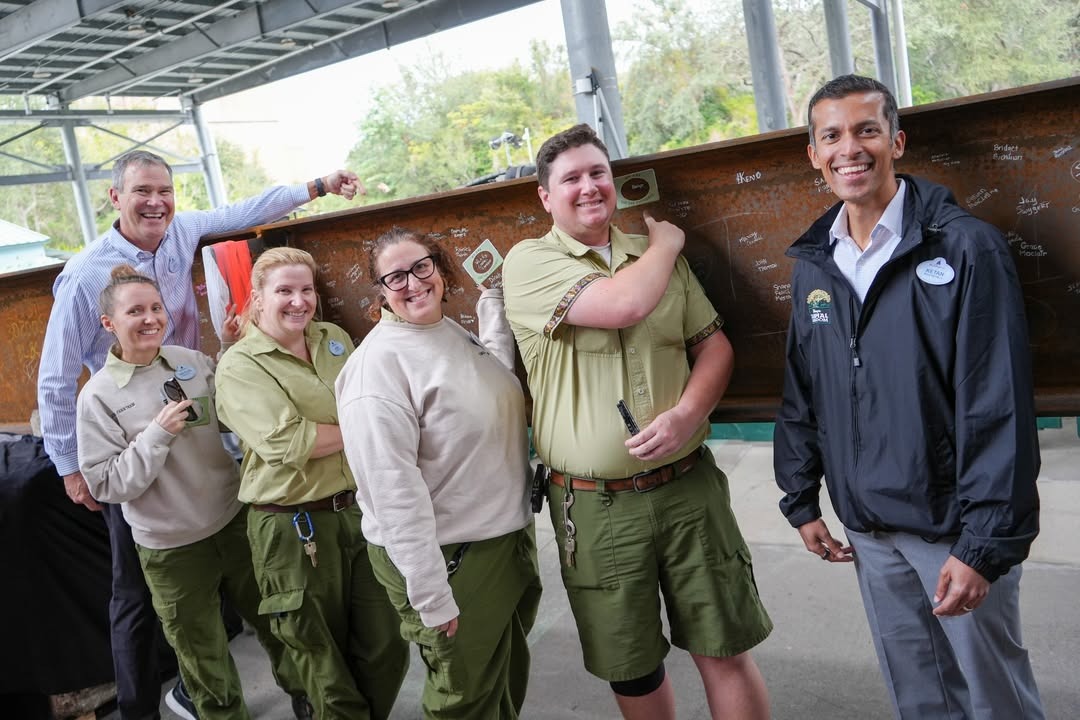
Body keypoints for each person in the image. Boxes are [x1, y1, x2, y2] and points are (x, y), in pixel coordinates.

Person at [36, 149, 359, 720]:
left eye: (164, 190)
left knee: (243, 581)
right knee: (140, 593)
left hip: (191, 405)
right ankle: (144, 708)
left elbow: (243, 210)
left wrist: (316, 186)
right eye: (141, 191)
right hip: (132, 434)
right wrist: (69, 467)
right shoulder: (87, 276)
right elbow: (56, 376)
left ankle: (279, 691)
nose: (155, 201)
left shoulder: (181, 233)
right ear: (115, 197)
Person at [773, 74, 1045, 719]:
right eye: (831, 136)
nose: (850, 149)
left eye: (866, 130)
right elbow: (804, 390)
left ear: (895, 141)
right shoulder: (815, 264)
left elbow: (998, 405)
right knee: (922, 701)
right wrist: (800, 496)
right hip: (870, 532)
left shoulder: (966, 247)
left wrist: (981, 545)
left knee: (996, 702)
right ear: (814, 154)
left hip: (952, 529)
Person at [502, 124, 772, 720]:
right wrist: (667, 245)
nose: (588, 186)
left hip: (687, 486)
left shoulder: (650, 256)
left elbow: (713, 345)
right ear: (545, 196)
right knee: (633, 666)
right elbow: (624, 304)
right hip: (596, 506)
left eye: (598, 172)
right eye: (571, 178)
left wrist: (688, 414)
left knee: (724, 646)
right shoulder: (529, 262)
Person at [76, 264, 306, 720]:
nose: (150, 318)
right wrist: (156, 436)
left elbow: (231, 408)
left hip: (233, 521)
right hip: (171, 548)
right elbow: (106, 484)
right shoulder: (98, 397)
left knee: (279, 621)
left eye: (156, 308)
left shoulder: (189, 361)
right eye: (135, 311)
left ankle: (308, 698)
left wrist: (229, 350)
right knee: (201, 652)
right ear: (109, 324)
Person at [336, 227, 542, 719]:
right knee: (464, 699)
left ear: (441, 268)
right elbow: (392, 493)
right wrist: (430, 595)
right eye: (395, 277)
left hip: (499, 539)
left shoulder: (446, 331)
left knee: (502, 682)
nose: (412, 283)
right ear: (380, 290)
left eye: (421, 267)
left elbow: (484, 382)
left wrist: (493, 310)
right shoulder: (377, 368)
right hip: (448, 555)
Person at [214, 247, 410, 720]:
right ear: (257, 297)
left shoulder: (333, 338)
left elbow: (371, 396)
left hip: (358, 512)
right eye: (284, 290)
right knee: (321, 659)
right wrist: (369, 427)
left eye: (307, 290)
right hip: (292, 524)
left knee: (386, 643)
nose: (299, 301)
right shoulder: (240, 365)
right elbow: (289, 442)